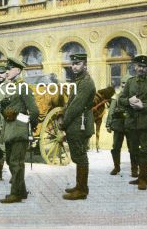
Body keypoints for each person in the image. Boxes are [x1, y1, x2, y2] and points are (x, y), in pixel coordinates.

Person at [119, 55, 147, 190]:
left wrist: (144, 106)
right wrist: (129, 101)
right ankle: (142, 176)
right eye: (139, 66)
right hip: (132, 122)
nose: (141, 69)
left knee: (145, 150)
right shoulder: (130, 82)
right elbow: (121, 99)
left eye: (144, 67)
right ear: (135, 67)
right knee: (133, 150)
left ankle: (143, 179)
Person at [0, 57, 39, 204]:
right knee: (10, 161)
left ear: (18, 70)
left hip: (19, 132)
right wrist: (4, 109)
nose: (7, 71)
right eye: (6, 69)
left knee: (15, 162)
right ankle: (21, 191)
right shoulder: (11, 87)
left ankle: (15, 194)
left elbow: (34, 111)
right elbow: (9, 111)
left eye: (9, 69)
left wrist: (23, 121)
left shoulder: (23, 87)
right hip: (10, 131)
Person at [59, 53, 96, 200]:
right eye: (73, 64)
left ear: (85, 65)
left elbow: (76, 106)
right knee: (78, 156)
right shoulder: (79, 81)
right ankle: (80, 186)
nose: (74, 66)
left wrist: (64, 122)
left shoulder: (86, 82)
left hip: (80, 124)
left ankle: (82, 190)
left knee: (80, 157)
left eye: (78, 63)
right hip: (76, 124)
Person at [106, 74, 138, 177]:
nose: (124, 85)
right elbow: (111, 111)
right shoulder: (116, 96)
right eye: (123, 83)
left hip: (131, 125)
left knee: (133, 148)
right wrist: (108, 124)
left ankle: (134, 169)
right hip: (118, 125)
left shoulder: (135, 96)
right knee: (115, 147)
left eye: (126, 83)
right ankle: (116, 167)